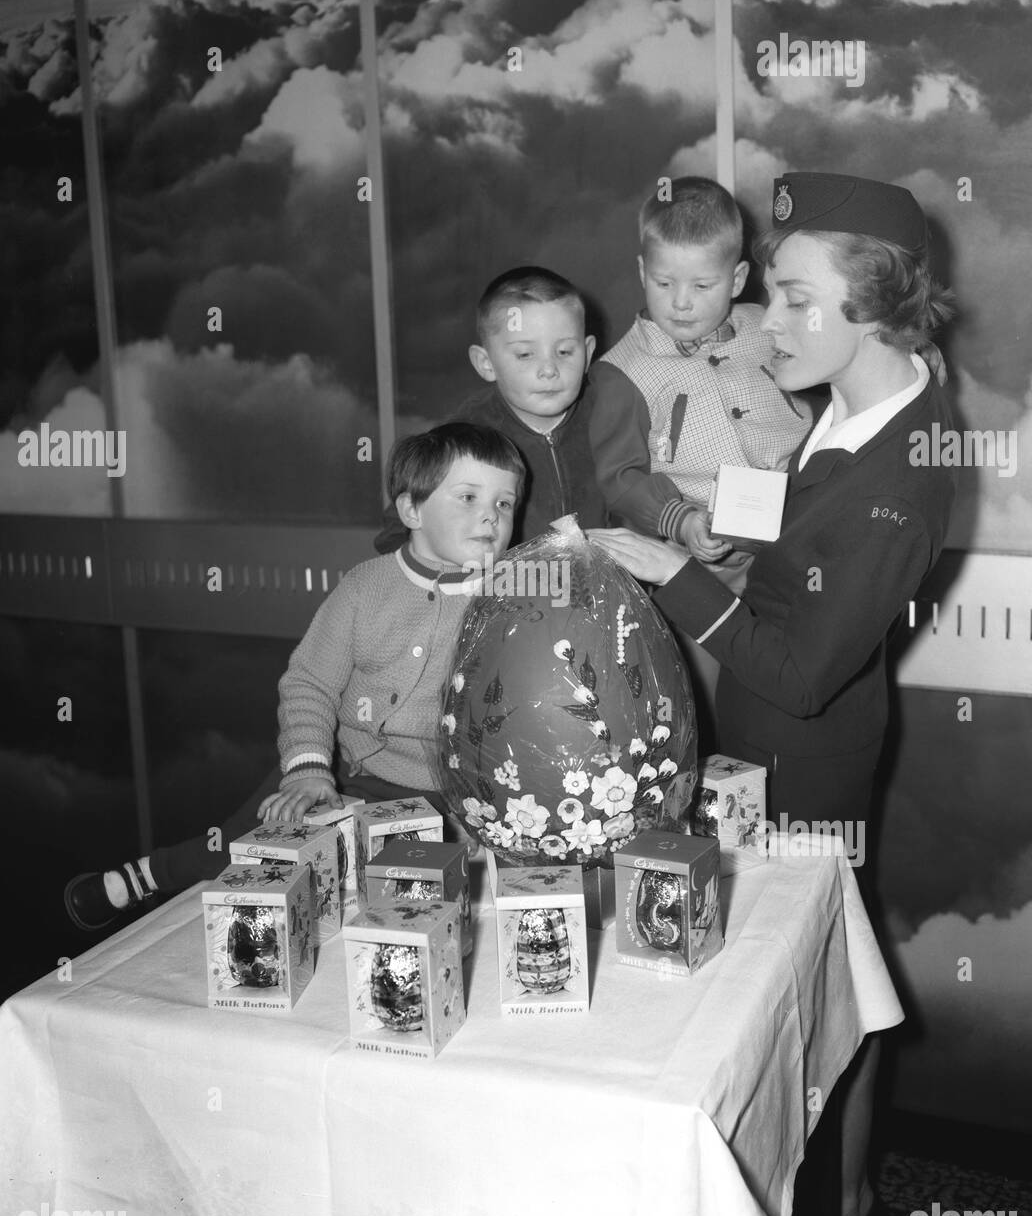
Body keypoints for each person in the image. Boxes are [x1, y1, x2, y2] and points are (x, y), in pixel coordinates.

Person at [590, 172, 958, 1216]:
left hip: (808, 755)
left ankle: (840, 1213)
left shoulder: (901, 477)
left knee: (821, 1007)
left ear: (877, 305)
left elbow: (802, 674)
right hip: (762, 741)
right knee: (791, 991)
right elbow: (801, 519)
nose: (773, 321)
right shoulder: (858, 401)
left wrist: (674, 574)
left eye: (799, 299)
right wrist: (700, 513)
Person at [65, 423, 524, 931]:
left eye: (505, 504)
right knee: (247, 844)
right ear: (412, 510)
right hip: (344, 769)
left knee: (411, 909)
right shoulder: (362, 590)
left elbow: (510, 714)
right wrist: (308, 768)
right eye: (468, 497)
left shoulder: (508, 601)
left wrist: (482, 801)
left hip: (441, 795)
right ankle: (147, 874)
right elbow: (310, 683)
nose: (490, 515)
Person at [587, 176, 816, 737]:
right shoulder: (623, 372)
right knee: (709, 708)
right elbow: (621, 478)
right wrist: (683, 521)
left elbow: (830, 367)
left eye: (703, 284)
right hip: (695, 565)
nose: (681, 302)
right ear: (642, 272)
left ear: (738, 278)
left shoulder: (768, 328)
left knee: (790, 692)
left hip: (793, 546)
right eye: (663, 282)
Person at [375, 267, 606, 554]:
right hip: (506, 593)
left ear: (587, 354)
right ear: (486, 363)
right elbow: (399, 530)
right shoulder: (464, 436)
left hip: (604, 591)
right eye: (525, 354)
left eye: (564, 352)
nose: (549, 370)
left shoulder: (611, 416)